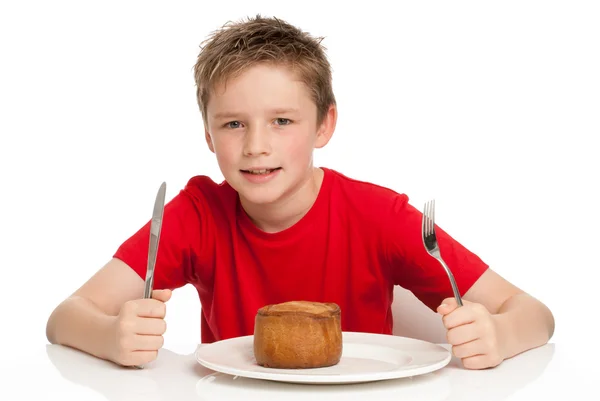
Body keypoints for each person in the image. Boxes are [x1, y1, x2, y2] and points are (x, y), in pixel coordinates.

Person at [46, 15, 555, 370]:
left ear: (324, 125)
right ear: (207, 135)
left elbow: (532, 312)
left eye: (282, 120)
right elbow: (66, 317)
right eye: (233, 124)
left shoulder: (380, 216)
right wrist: (110, 337)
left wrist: (500, 335)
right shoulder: (197, 214)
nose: (256, 146)